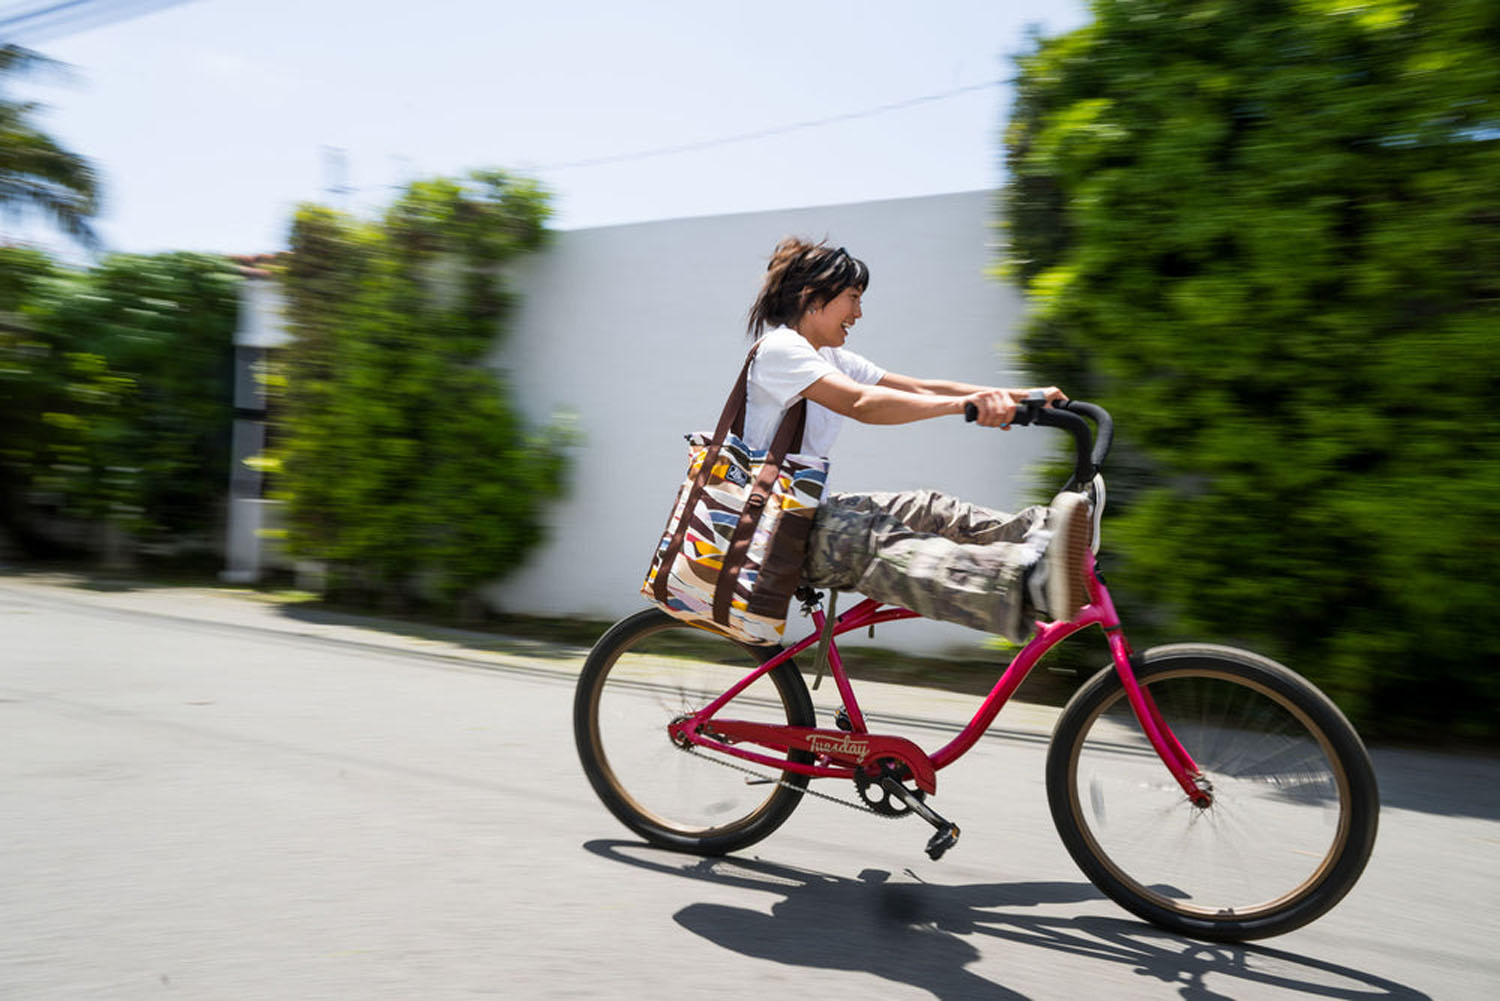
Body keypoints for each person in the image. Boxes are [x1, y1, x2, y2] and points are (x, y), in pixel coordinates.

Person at [742, 237, 1092, 643]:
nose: (858, 313)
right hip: (772, 533)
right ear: (812, 296)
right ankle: (1025, 582)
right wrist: (967, 406)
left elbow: (921, 388)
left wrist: (1020, 398)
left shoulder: (831, 357)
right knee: (877, 541)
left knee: (929, 509)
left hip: (806, 513)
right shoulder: (780, 350)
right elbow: (862, 403)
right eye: (852, 298)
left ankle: (1053, 540)